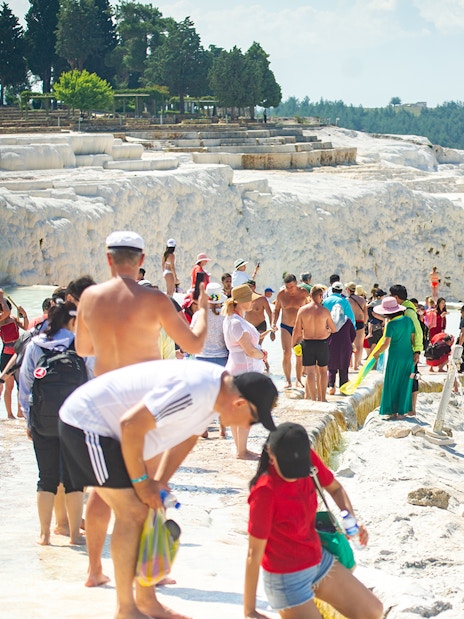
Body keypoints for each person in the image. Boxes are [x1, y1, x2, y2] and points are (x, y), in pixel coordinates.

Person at [59, 360, 278, 619]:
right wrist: (143, 483)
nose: (246, 427)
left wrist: (160, 483)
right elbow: (131, 425)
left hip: (111, 432)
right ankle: (126, 609)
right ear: (240, 404)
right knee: (133, 512)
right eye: (253, 421)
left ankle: (146, 600)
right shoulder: (195, 389)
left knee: (147, 508)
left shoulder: (216, 396)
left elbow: (190, 436)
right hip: (86, 424)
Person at [75, 230, 208, 605]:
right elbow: (193, 344)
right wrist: (201, 314)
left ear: (108, 259)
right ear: (142, 259)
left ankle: (94, 570)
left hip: (103, 398)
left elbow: (84, 347)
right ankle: (151, 569)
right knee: (147, 484)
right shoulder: (154, 299)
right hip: (143, 401)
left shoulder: (90, 297)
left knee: (102, 489)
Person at [244, 422, 383, 619]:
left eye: (298, 469)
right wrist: (249, 610)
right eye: (289, 469)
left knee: (373, 610)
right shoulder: (265, 492)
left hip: (317, 560)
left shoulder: (305, 459)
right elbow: (254, 553)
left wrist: (351, 520)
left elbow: (335, 488)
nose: (295, 475)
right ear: (271, 454)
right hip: (286, 577)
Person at [19, 302, 91, 546]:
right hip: (74, 422)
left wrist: (29, 420)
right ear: (71, 321)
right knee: (73, 479)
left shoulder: (35, 345)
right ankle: (73, 536)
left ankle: (44, 535)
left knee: (46, 478)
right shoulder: (80, 344)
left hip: (43, 421)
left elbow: (25, 386)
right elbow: (91, 383)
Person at [223, 284, 268, 460]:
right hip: (244, 371)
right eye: (250, 300)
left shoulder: (233, 320)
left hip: (239, 369)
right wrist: (262, 355)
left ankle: (241, 449)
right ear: (241, 302)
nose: (252, 304)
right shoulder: (236, 322)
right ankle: (241, 451)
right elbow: (249, 350)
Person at [292, 285, 337, 401]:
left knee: (310, 373)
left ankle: (313, 399)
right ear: (321, 296)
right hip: (322, 343)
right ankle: (323, 398)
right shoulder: (324, 311)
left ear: (310, 296)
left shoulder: (302, 311)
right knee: (323, 371)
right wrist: (326, 331)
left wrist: (293, 345)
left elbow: (296, 331)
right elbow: (334, 329)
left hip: (307, 343)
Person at [373, 296, 415, 419]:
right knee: (405, 383)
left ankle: (391, 411)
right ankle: (402, 412)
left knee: (392, 383)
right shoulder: (409, 321)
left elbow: (386, 344)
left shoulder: (391, 325)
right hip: (408, 356)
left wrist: (377, 353)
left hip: (395, 357)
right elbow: (412, 339)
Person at [389, 284, 423, 416]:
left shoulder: (408, 311)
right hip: (406, 350)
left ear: (396, 297)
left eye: (391, 295)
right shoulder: (405, 309)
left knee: (412, 378)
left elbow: (417, 331)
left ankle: (412, 409)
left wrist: (417, 351)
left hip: (410, 351)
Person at [272, 274, 309, 389]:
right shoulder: (281, 294)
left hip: (299, 328)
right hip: (285, 326)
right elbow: (276, 310)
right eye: (287, 287)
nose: (289, 289)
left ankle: (298, 379)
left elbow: (310, 309)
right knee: (286, 353)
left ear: (296, 283)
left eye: (291, 287)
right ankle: (288, 380)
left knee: (299, 354)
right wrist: (273, 323)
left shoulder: (304, 293)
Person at [0, 290, 29, 419]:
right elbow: (5, 312)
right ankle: (9, 414)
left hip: (17, 353)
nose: (8, 311)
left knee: (20, 385)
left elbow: (27, 328)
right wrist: (1, 296)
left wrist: (25, 316)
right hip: (7, 355)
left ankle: (19, 412)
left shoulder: (13, 319)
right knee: (9, 386)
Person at [345, 282, 368, 370]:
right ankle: (356, 365)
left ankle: (349, 364)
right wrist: (365, 323)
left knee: (348, 343)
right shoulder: (362, 300)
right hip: (360, 322)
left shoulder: (347, 300)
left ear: (348, 289)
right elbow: (365, 313)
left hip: (349, 322)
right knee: (359, 344)